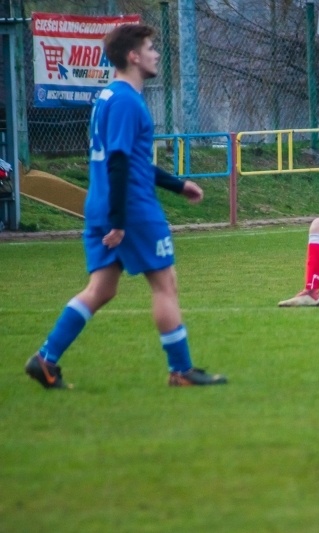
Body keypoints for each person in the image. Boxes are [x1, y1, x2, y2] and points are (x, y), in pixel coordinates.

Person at [24, 24, 227, 388]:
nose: (155, 54)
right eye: (149, 48)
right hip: (131, 209)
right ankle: (181, 370)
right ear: (133, 56)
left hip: (104, 204)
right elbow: (119, 161)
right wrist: (119, 221)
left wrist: (177, 185)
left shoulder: (109, 97)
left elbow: (129, 158)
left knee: (101, 289)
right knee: (165, 284)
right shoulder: (126, 101)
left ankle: (45, 359)